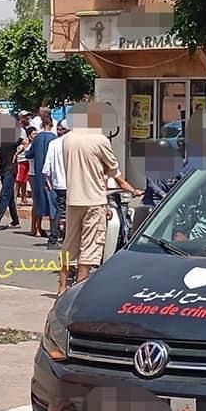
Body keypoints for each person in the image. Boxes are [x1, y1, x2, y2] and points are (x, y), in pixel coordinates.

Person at [59, 114, 141, 294]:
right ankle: (80, 289)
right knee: (90, 245)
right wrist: (129, 187)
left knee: (69, 243)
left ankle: (62, 287)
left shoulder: (67, 139)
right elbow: (112, 168)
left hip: (73, 198)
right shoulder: (99, 140)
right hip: (94, 199)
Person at [26, 112, 57, 237]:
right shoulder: (55, 139)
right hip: (51, 175)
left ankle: (36, 228)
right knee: (52, 201)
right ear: (52, 125)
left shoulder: (37, 138)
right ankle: (53, 229)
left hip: (36, 174)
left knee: (37, 201)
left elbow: (29, 154)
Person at [42, 119, 69, 249]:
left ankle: (57, 237)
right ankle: (56, 238)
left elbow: (46, 166)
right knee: (67, 211)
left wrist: (47, 181)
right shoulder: (72, 143)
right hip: (70, 183)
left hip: (58, 183)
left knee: (60, 210)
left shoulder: (53, 144)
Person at [0, 139, 20, 230]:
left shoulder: (13, 142)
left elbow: (25, 141)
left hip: (10, 170)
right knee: (9, 197)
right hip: (3, 170)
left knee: (4, 195)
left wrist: (17, 154)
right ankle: (15, 221)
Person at [15, 128, 33, 206]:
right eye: (33, 134)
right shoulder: (24, 142)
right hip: (21, 162)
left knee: (24, 182)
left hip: (27, 163)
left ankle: (23, 198)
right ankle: (14, 199)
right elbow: (19, 151)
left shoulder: (33, 143)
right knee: (18, 181)